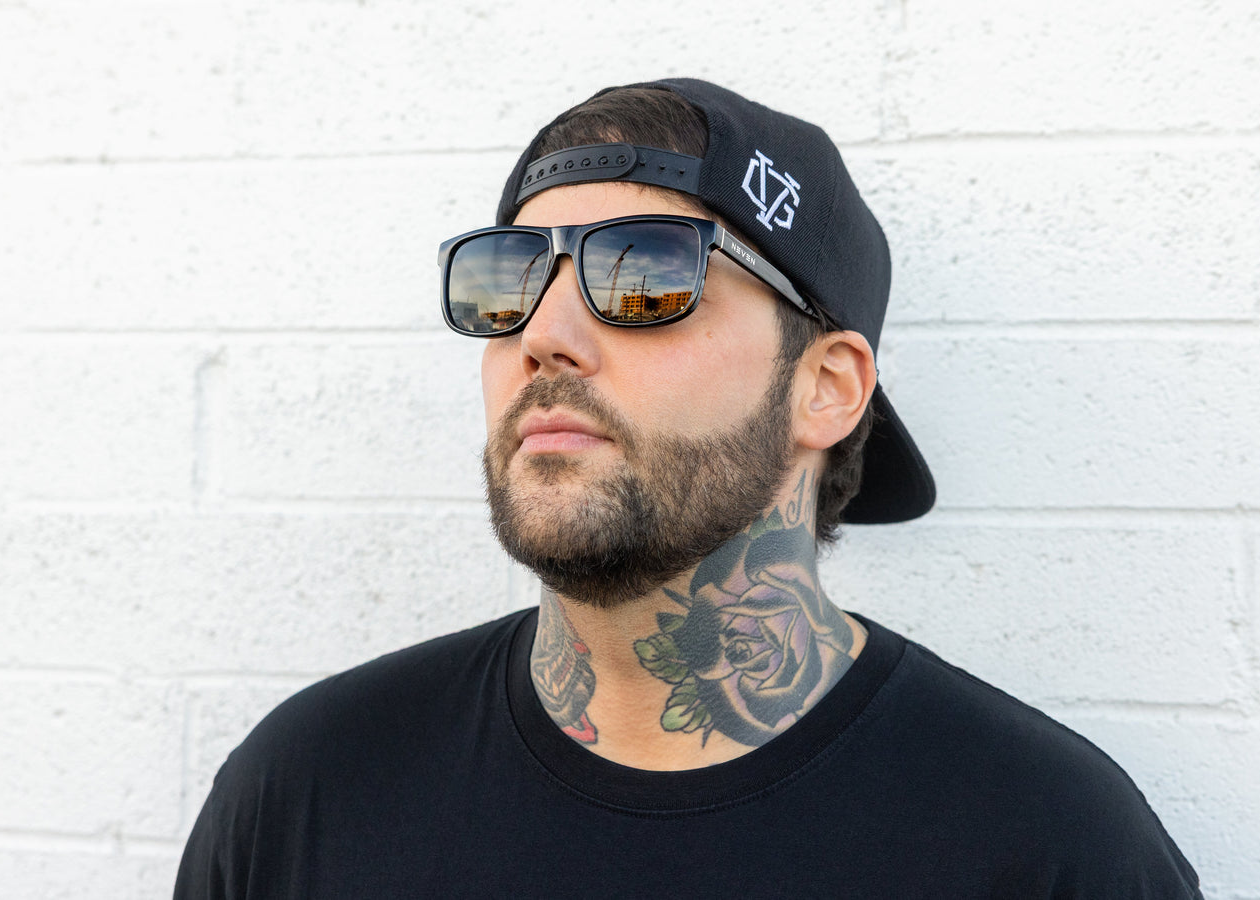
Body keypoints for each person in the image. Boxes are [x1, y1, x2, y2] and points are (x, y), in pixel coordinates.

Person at [175, 78, 1203, 898]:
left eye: (645, 274)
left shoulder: (1046, 846)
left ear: (826, 387)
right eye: (509, 279)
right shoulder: (310, 791)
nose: (545, 337)